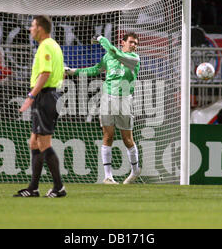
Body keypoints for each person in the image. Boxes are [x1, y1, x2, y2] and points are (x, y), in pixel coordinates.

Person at [65, 33, 141, 185]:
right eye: (131, 42)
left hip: (125, 100)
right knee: (108, 136)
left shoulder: (134, 59)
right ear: (123, 42)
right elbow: (95, 69)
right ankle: (108, 177)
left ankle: (135, 170)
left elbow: (114, 52)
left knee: (127, 139)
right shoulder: (109, 57)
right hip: (107, 99)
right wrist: (73, 71)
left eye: (136, 43)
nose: (133, 45)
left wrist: (100, 38)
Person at [14, 15, 66, 198]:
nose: (30, 29)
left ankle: (59, 187)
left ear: (41, 28)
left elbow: (45, 73)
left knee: (44, 144)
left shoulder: (45, 46)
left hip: (45, 96)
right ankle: (33, 188)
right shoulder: (55, 46)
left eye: (33, 26)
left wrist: (31, 96)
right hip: (51, 95)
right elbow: (63, 72)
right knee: (34, 142)